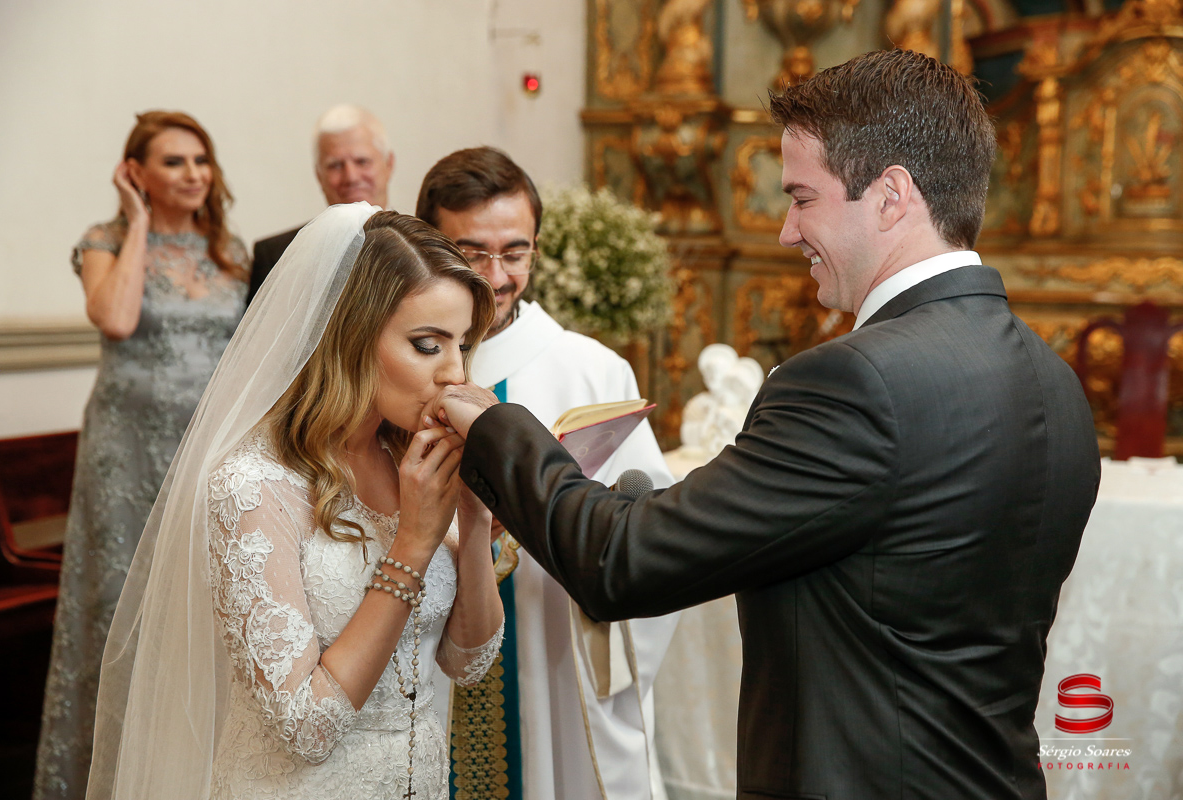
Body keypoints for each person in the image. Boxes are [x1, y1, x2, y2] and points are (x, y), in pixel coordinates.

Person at [432, 50, 1102, 800]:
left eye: (802, 198)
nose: (786, 231)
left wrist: (496, 426)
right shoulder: (1057, 383)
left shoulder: (854, 381)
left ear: (890, 196)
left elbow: (622, 561)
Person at [86, 205, 504, 800]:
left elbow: (469, 661)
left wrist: (476, 515)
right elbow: (307, 728)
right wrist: (414, 540)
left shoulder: (408, 462)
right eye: (426, 345)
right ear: (350, 335)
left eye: (461, 344)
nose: (454, 372)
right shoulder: (253, 484)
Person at [415, 147, 678, 800]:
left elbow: (649, 540)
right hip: (417, 648)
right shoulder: (397, 359)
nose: (496, 277)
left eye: (516, 252)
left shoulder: (589, 370)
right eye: (470, 252)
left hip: (548, 646)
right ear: (425, 245)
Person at [35, 110, 249, 800]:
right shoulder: (103, 241)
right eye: (173, 162)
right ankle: (111, 779)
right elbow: (118, 317)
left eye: (200, 160)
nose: (193, 174)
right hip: (125, 457)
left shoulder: (231, 250)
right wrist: (135, 224)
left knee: (201, 606)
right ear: (136, 173)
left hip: (207, 452)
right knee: (117, 606)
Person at [246, 104, 395, 304]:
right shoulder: (278, 255)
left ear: (389, 164)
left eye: (362, 161)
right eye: (335, 165)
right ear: (318, 175)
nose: (350, 177)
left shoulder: (424, 246)